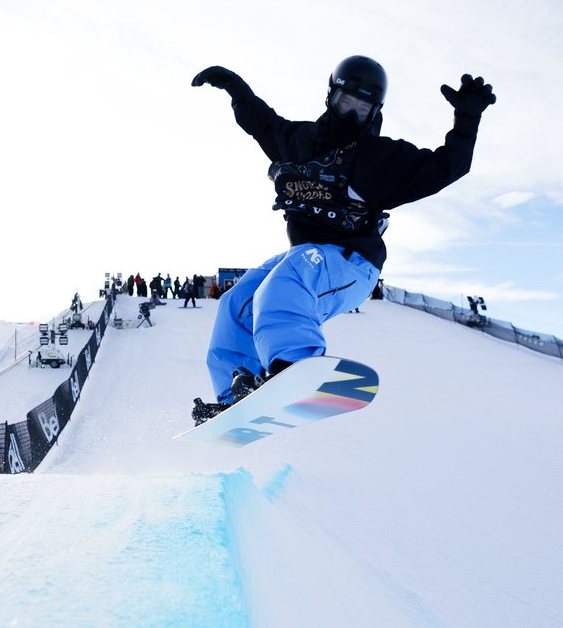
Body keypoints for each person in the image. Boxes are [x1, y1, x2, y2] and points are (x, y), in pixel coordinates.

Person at [190, 54, 495, 418]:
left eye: (363, 107)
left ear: (375, 111)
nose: (352, 114)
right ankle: (234, 395)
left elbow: (447, 167)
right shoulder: (300, 142)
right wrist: (235, 89)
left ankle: (296, 367)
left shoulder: (379, 159)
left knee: (290, 278)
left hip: (354, 262)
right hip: (307, 257)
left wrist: (467, 120)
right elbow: (263, 124)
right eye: (346, 102)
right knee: (237, 302)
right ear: (331, 97)